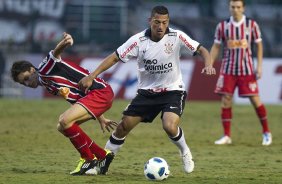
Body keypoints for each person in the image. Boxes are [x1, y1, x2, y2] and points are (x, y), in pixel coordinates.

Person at [78, 6, 216, 173]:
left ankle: (185, 152)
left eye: (164, 23)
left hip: (172, 91)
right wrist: (92, 76)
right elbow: (114, 57)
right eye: (157, 22)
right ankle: (101, 165)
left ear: (168, 23)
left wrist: (208, 64)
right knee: (123, 127)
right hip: (146, 94)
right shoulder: (138, 41)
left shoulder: (177, 36)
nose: (160, 26)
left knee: (169, 126)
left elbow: (201, 49)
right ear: (149, 21)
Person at [10, 32, 117, 175]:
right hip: (96, 96)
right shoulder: (46, 83)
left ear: (31, 69)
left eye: (27, 78)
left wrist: (66, 41)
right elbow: (79, 99)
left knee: (65, 120)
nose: (27, 83)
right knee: (62, 126)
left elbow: (55, 53)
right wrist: (101, 118)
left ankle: (87, 159)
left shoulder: (43, 69)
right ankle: (103, 155)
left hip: (100, 92)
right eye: (23, 83)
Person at [210, 0, 272, 146]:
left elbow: (259, 45)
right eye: (233, 7)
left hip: (247, 70)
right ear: (229, 8)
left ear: (243, 8)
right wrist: (209, 64)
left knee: (255, 100)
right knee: (226, 100)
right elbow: (216, 46)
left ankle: (266, 132)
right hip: (228, 70)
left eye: (238, 7)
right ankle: (226, 135)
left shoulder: (252, 25)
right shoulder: (222, 26)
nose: (235, 10)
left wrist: (260, 66)